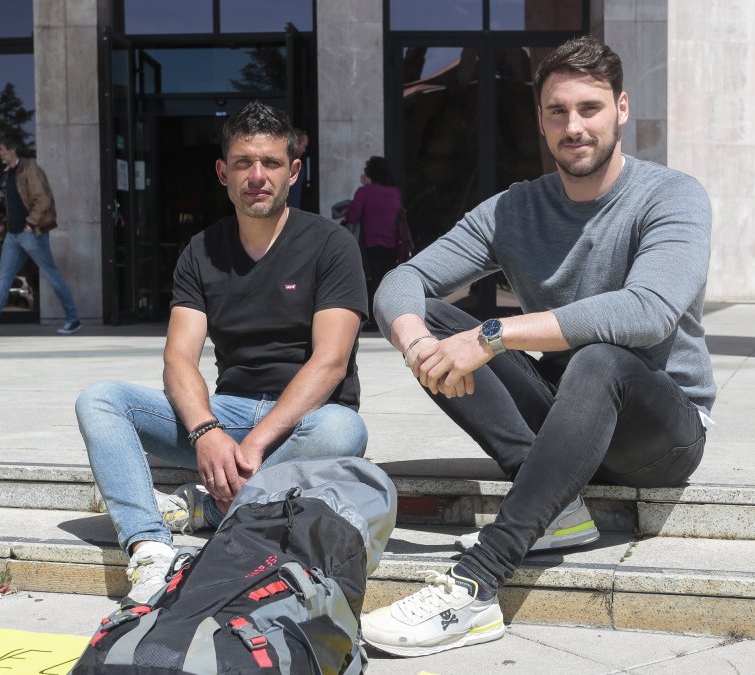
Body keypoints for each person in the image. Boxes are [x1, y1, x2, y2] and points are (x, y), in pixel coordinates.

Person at [361, 36, 715, 657]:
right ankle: (556, 507)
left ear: (621, 109)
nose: (573, 126)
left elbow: (648, 311)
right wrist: (420, 343)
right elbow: (402, 280)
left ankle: (477, 585)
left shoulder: (671, 196)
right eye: (558, 111)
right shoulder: (512, 209)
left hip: (658, 432)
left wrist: (493, 334)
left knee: (600, 357)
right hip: (565, 423)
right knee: (439, 319)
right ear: (541, 120)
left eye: (590, 108)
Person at [75, 101, 369, 605]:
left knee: (345, 431)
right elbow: (178, 359)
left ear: (293, 172)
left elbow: (330, 362)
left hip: (305, 420)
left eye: (271, 163)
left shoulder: (330, 244)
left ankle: (208, 510)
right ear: (222, 172)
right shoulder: (201, 251)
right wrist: (207, 432)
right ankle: (149, 546)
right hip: (227, 413)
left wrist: (252, 446)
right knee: (101, 399)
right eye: (242, 163)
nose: (257, 176)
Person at [0, 132, 81, 336]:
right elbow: (16, 205)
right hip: (13, 236)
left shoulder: (29, 168)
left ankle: (73, 320)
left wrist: (30, 224)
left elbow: (43, 200)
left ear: (12, 149)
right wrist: (4, 225)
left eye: (0, 148)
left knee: (52, 276)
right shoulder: (9, 173)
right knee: (3, 279)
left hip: (31, 234)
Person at [341, 156, 402, 330]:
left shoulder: (364, 192)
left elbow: (353, 217)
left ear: (370, 174)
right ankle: (386, 319)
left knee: (368, 283)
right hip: (391, 244)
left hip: (369, 245)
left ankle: (370, 321)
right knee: (385, 282)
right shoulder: (394, 192)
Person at [286, 128, 310, 209]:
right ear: (296, 144)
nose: (304, 150)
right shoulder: (295, 166)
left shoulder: (298, 166)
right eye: (304, 146)